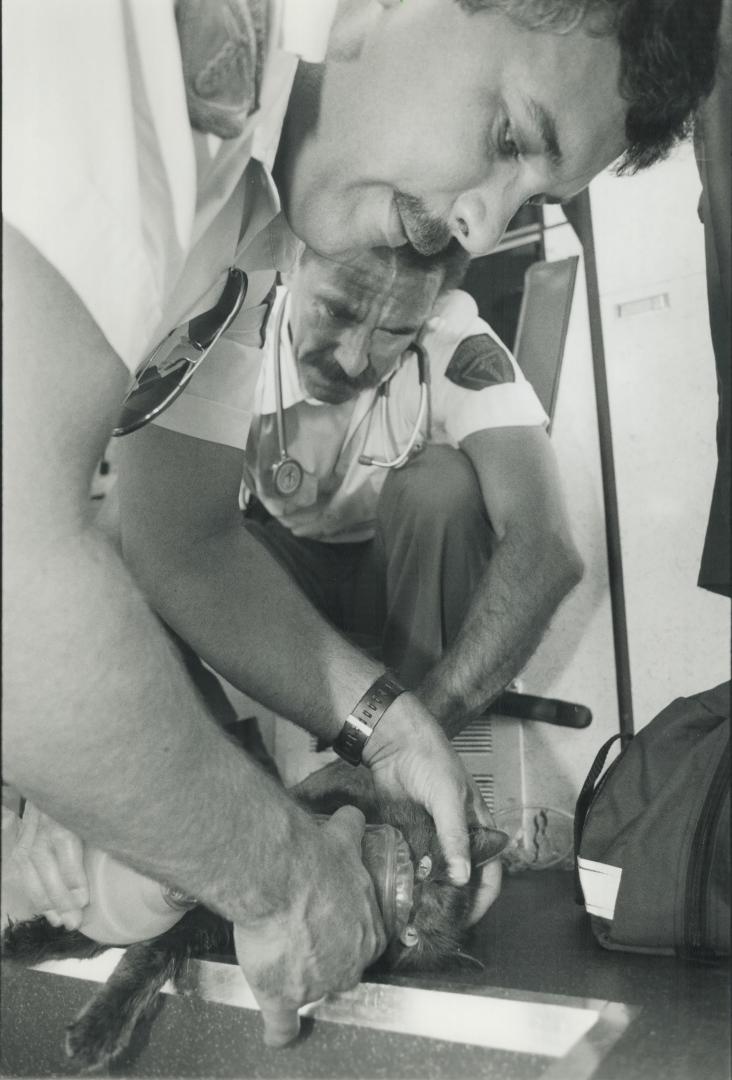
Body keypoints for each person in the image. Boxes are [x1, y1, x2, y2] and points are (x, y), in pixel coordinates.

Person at [3, 0, 723, 1050]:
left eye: (532, 192)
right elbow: (19, 582)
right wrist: (278, 875)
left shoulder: (255, 218)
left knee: (433, 490)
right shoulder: (130, 45)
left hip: (337, 594)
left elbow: (184, 536)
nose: (480, 228)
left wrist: (392, 722)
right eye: (509, 138)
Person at [195, 242, 583, 735]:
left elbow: (547, 547)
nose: (353, 361)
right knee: (149, 558)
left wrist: (424, 727)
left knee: (441, 486)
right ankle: (240, 777)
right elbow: (147, 538)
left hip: (399, 575)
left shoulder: (454, 340)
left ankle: (406, 746)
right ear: (294, 260)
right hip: (288, 570)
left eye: (395, 331)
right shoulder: (233, 334)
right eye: (336, 311)